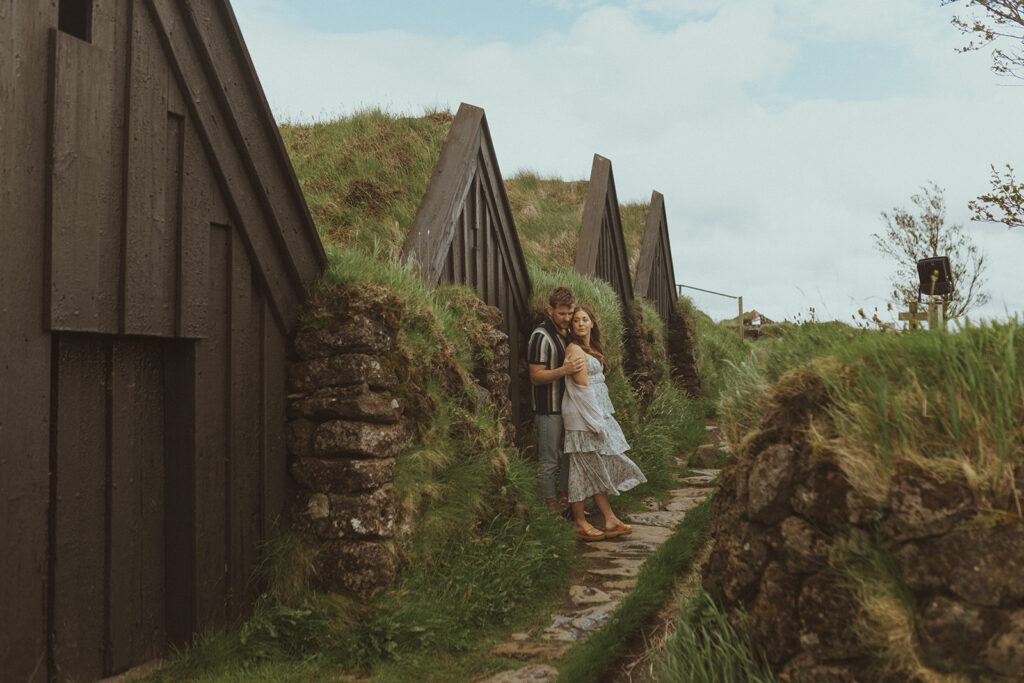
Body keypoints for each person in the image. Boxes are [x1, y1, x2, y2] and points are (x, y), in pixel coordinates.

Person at [561, 303, 646, 541]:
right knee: (580, 469)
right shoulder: (575, 350)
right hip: (583, 416)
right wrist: (596, 422)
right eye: (576, 320)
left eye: (584, 319)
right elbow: (582, 388)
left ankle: (609, 520)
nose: (580, 323)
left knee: (593, 466)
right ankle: (580, 522)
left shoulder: (591, 348)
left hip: (593, 414)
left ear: (592, 323)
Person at [528, 286, 586, 514]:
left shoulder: (567, 335)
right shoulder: (540, 336)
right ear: (549, 310)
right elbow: (535, 376)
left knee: (571, 457)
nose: (567, 318)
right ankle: (548, 507)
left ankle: (565, 500)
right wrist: (564, 370)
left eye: (570, 313)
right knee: (549, 460)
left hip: (569, 409)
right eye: (562, 313)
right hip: (548, 409)